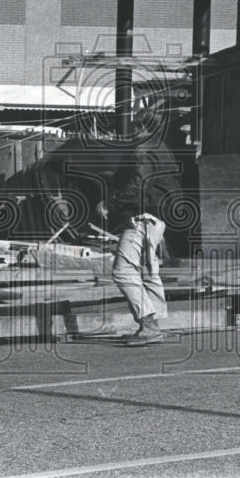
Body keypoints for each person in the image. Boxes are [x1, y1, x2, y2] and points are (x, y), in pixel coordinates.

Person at [104, 142, 182, 346]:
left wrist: (110, 202)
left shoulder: (146, 149)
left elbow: (138, 182)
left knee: (123, 271)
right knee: (148, 273)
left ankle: (148, 326)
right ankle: (152, 326)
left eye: (136, 127)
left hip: (141, 219)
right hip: (155, 219)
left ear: (142, 127)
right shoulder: (163, 150)